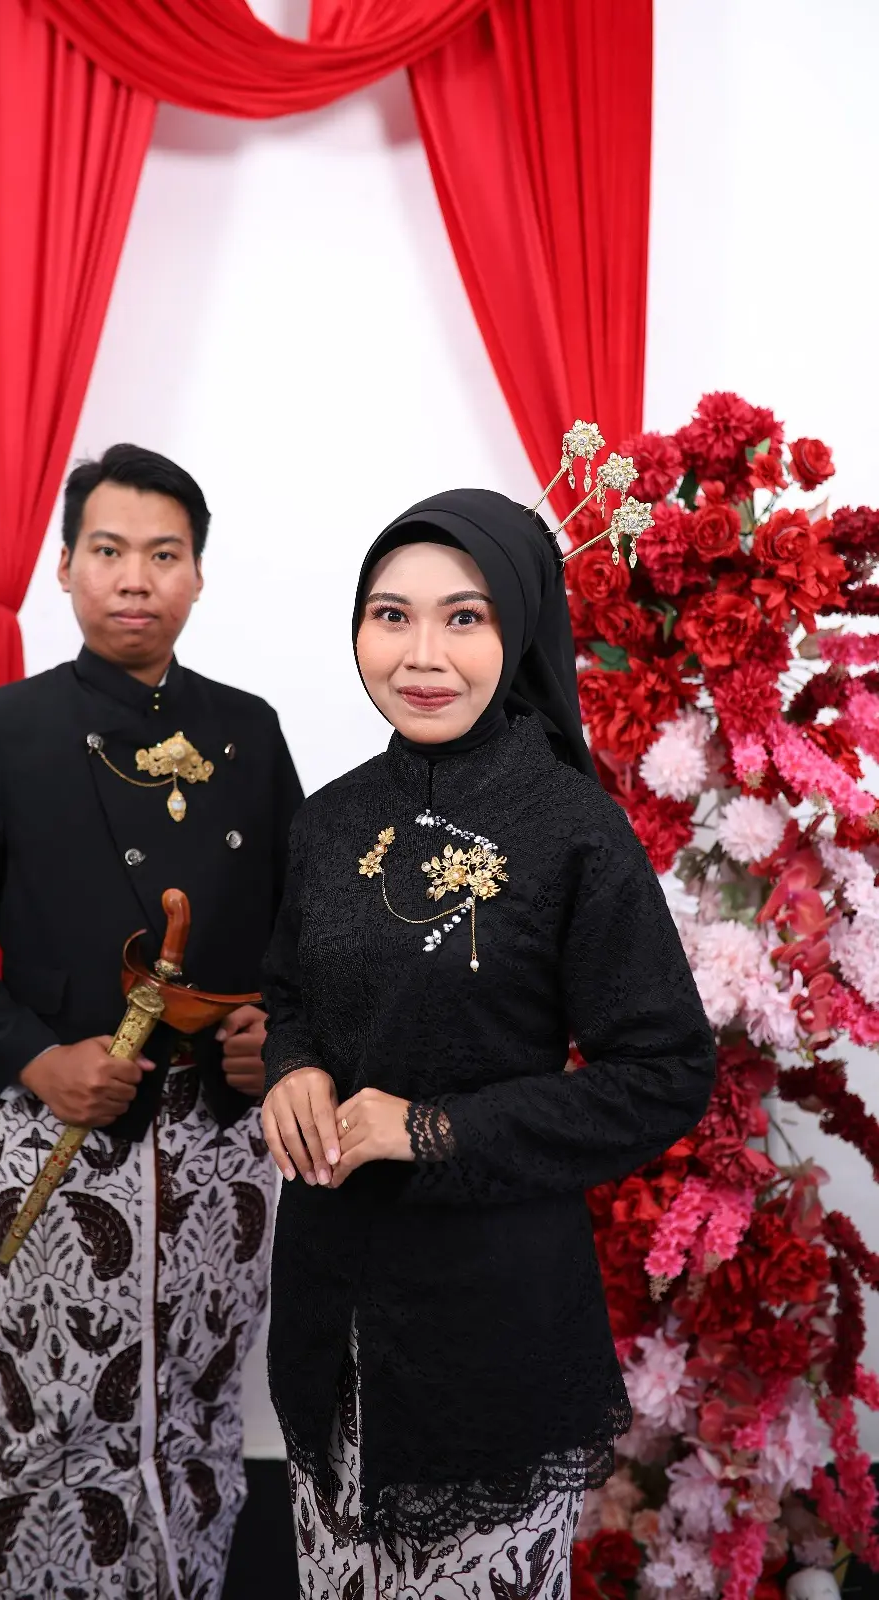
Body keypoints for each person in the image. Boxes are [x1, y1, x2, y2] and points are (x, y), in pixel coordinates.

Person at [260, 489, 715, 1598]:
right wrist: (293, 1067)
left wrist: (427, 1129)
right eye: (391, 615)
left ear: (519, 627)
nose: (422, 654)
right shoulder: (328, 819)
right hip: (329, 1314)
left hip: (491, 1321)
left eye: (463, 617)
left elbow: (664, 1073)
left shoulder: (573, 828)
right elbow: (290, 991)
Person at [0, 444, 303, 1599]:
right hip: (62, 1139)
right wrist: (33, 1058)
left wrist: (275, 1031)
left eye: (163, 555)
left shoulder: (249, 730)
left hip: (222, 1149)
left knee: (202, 1415)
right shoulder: (4, 730)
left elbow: (303, 937)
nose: (135, 578)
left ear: (198, 575)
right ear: (64, 565)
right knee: (53, 1425)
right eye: (109, 550)